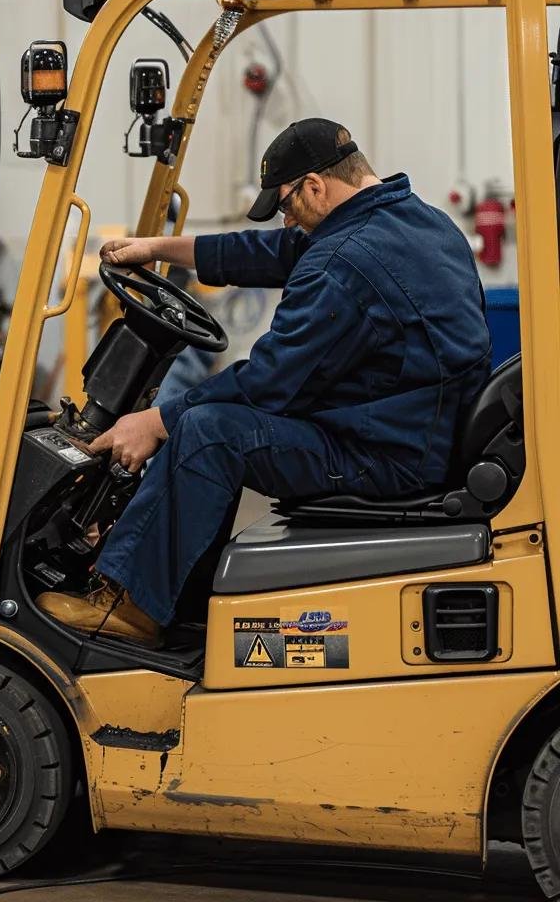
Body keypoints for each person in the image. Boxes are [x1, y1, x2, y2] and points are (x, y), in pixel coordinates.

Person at [37, 118, 492, 647]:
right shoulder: (414, 222)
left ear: (316, 186)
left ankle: (131, 605)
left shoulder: (341, 263)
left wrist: (154, 420)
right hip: (408, 429)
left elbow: (269, 382)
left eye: (287, 206)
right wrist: (157, 249)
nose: (287, 222)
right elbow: (268, 253)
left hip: (387, 455)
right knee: (209, 422)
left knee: (210, 430)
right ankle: (180, 592)